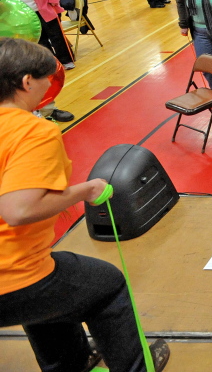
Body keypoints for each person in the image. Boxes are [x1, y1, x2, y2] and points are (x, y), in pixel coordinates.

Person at [0, 38, 172, 371]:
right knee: (107, 286)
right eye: (46, 78)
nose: (51, 85)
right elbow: (18, 210)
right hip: (11, 274)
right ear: (25, 82)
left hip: (19, 275)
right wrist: (87, 190)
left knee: (55, 290)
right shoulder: (32, 131)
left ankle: (71, 363)